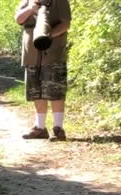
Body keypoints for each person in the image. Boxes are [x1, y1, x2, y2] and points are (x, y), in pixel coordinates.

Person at [15, 0, 71, 141]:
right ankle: (40, 128)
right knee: (36, 91)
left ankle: (58, 129)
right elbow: (18, 19)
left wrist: (46, 35)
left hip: (53, 52)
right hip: (31, 54)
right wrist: (30, 8)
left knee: (55, 89)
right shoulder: (27, 1)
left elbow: (65, 24)